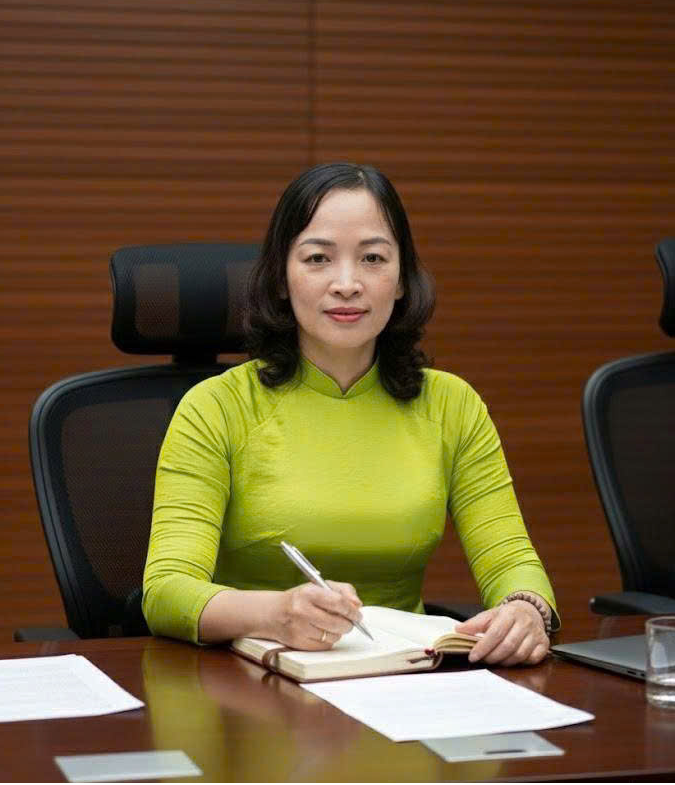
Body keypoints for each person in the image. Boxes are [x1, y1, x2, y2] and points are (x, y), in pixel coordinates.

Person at [143, 162, 559, 666]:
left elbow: (511, 559)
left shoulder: (452, 404)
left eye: (373, 258)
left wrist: (527, 609)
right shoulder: (215, 408)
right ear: (281, 278)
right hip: (252, 678)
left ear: (402, 279)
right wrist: (275, 612)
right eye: (318, 258)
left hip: (403, 677)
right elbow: (166, 590)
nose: (347, 283)